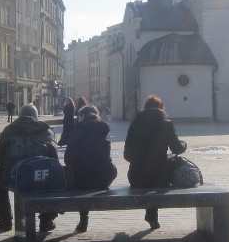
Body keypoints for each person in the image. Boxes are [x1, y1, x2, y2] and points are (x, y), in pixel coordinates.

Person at [0, 103, 58, 232]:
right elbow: (54, 162)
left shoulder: (8, 131)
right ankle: (46, 220)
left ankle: (5, 220)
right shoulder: (46, 131)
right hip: (41, 178)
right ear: (36, 117)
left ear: (19, 116)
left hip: (14, 180)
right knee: (53, 178)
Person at [123, 94, 187, 230]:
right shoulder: (166, 124)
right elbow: (177, 148)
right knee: (159, 175)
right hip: (161, 177)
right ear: (161, 108)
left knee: (148, 177)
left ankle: (151, 215)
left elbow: (127, 156)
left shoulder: (134, 124)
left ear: (145, 109)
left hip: (136, 177)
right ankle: (152, 215)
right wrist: (184, 144)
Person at [63, 105, 117, 232]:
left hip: (83, 177)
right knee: (112, 169)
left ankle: (83, 219)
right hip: (103, 176)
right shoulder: (104, 129)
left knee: (81, 177)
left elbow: (68, 158)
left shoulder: (77, 129)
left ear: (82, 116)